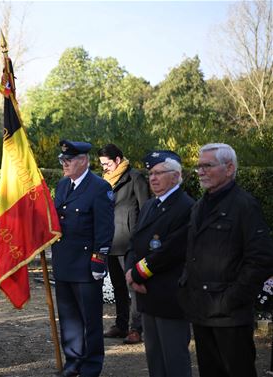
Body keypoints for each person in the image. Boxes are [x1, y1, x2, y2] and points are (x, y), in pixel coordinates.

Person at [177, 143, 273, 377]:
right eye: (199, 166)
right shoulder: (200, 205)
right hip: (202, 311)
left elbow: (261, 258)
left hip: (230, 316)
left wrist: (230, 299)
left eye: (207, 166)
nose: (200, 171)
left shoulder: (244, 205)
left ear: (229, 168)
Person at [125, 150, 194, 377]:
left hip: (169, 294)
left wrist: (136, 274)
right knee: (155, 358)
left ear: (176, 176)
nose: (153, 178)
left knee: (174, 360)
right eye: (150, 173)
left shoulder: (185, 207)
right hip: (147, 295)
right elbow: (136, 241)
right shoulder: (150, 206)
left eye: (159, 173)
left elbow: (170, 251)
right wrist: (131, 273)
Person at [51, 139, 115, 377]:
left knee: (90, 320)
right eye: (62, 160)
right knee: (69, 319)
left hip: (86, 265)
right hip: (64, 262)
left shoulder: (99, 187)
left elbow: (105, 228)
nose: (64, 164)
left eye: (68, 161)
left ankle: (91, 365)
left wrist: (99, 259)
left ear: (83, 161)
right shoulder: (63, 185)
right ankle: (73, 362)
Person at [97, 144, 149, 345]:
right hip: (110, 240)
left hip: (129, 242)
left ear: (118, 160)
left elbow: (146, 210)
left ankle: (136, 329)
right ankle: (121, 325)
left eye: (107, 163)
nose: (104, 168)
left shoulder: (135, 178)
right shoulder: (103, 181)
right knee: (117, 285)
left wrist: (139, 239)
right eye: (102, 164)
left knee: (132, 285)